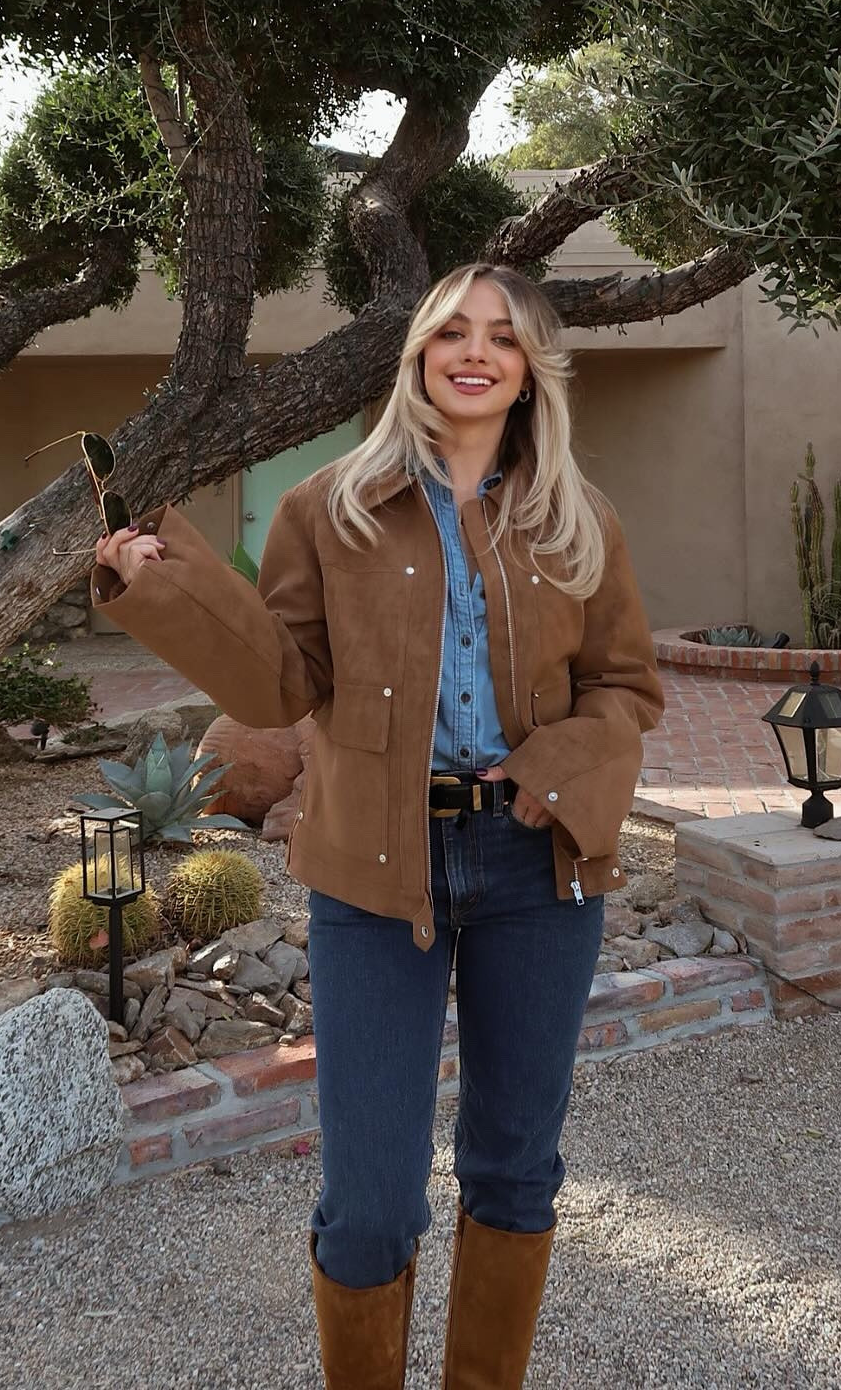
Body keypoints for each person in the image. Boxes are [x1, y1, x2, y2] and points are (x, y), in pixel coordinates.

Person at [91, 261, 664, 1388]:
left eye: (503, 338)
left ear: (529, 371)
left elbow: (628, 690)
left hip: (535, 865)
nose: (476, 351)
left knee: (514, 1168)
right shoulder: (329, 505)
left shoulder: (577, 517)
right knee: (369, 1206)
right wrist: (161, 586)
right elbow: (279, 685)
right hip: (371, 869)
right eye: (453, 330)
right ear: (417, 356)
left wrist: (550, 769)